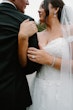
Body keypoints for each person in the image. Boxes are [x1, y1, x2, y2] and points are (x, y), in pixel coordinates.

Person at [23, 0, 73, 110]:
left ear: (56, 9)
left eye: (43, 6)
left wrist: (49, 60)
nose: (39, 10)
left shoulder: (70, 31)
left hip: (62, 90)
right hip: (39, 89)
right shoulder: (37, 35)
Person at [0, 0, 41, 110]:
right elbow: (31, 67)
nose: (27, 3)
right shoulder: (26, 22)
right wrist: (23, 39)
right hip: (13, 95)